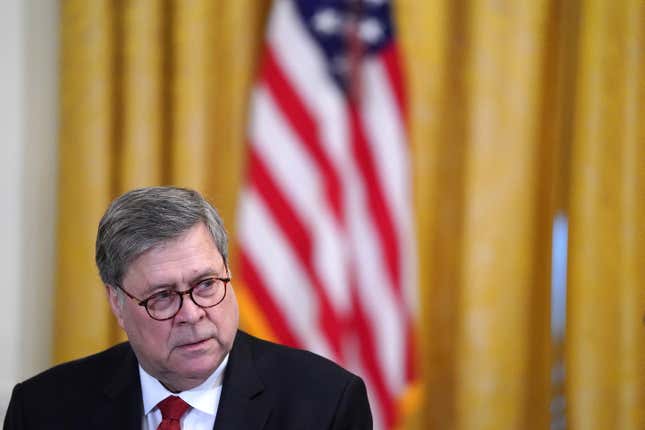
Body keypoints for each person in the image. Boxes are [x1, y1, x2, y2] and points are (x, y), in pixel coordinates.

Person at [3, 186, 372, 429]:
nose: (192, 313)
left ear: (227, 272)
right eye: (162, 296)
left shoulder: (326, 405)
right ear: (117, 302)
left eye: (206, 285)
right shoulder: (42, 411)